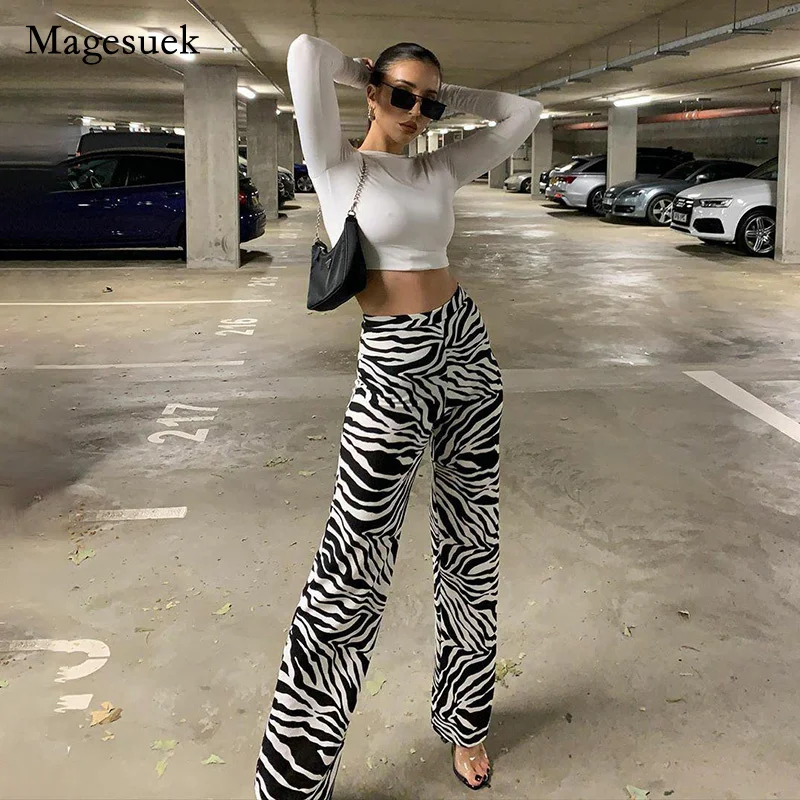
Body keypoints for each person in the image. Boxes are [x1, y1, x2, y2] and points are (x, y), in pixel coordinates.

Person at [255, 33, 542, 799]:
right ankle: (294, 779)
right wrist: (369, 74)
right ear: (375, 93)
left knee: (472, 546)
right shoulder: (335, 164)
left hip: (466, 351)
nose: (416, 113)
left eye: (429, 103)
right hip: (393, 364)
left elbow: (523, 112)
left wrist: (444, 98)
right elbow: (305, 53)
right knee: (350, 565)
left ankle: (466, 722)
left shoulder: (436, 167)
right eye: (403, 96)